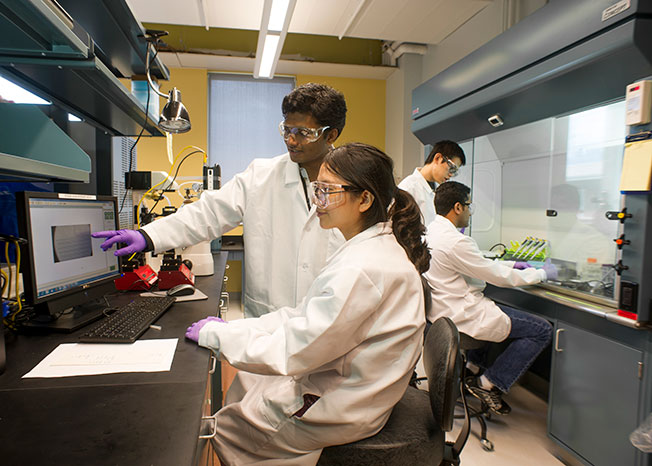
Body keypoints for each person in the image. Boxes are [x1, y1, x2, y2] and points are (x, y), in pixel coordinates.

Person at [184, 143, 431, 465]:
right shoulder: (368, 248)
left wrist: (217, 337)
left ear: (365, 199)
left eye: (328, 191)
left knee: (228, 429)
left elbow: (295, 351)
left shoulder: (363, 267)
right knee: (248, 383)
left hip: (346, 404)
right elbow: (303, 314)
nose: (318, 203)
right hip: (356, 383)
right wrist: (235, 328)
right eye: (317, 189)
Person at [93, 83, 347, 317]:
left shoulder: (356, 184)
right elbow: (207, 213)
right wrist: (148, 236)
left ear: (331, 135)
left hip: (330, 326)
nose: (291, 140)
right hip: (267, 323)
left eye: (303, 132)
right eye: (287, 129)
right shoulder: (261, 176)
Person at [424, 181, 557, 415]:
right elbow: (497, 276)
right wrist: (541, 273)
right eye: (468, 206)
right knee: (542, 330)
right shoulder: (456, 241)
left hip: (441, 315)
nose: (469, 212)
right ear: (457, 207)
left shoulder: (431, 231)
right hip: (462, 317)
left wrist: (513, 263)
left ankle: (472, 370)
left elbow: (478, 264)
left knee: (497, 309)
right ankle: (488, 383)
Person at [398, 140, 465, 225]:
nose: (451, 174)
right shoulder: (408, 188)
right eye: (452, 168)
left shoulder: (436, 190)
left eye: (455, 172)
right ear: (438, 158)